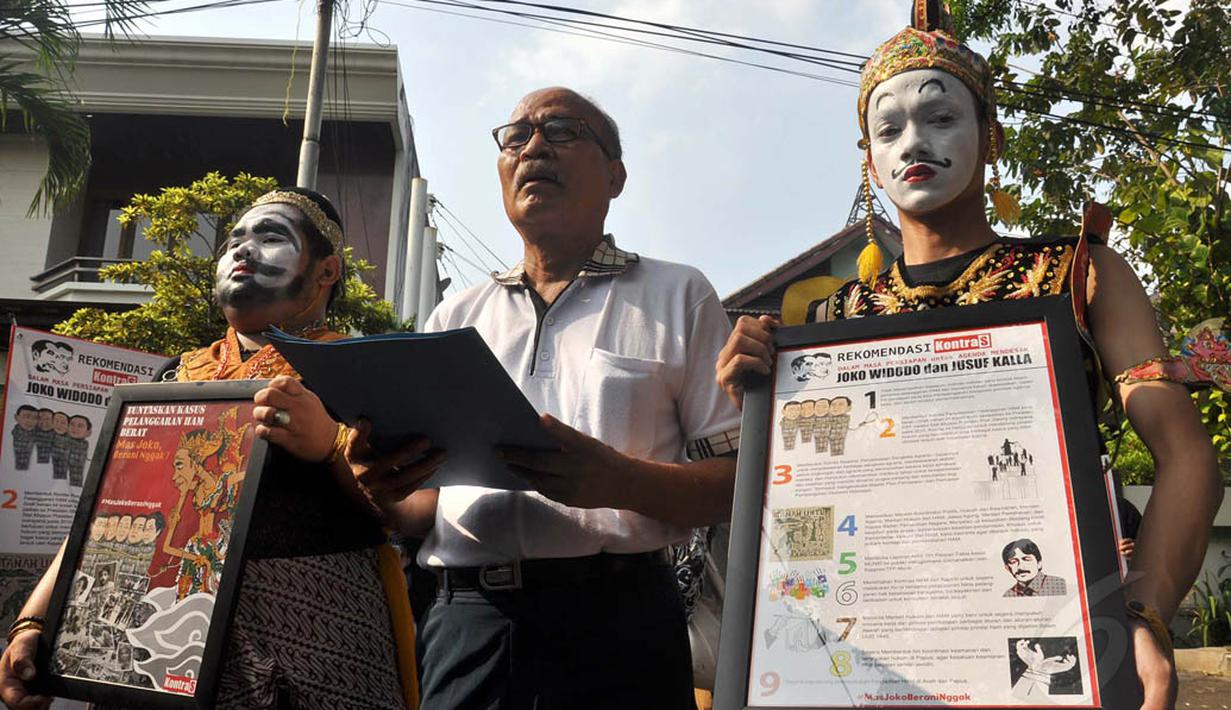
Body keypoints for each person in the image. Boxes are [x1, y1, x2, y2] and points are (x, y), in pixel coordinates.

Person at [715, 2, 1222, 707]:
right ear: (869, 160)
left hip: (1048, 648)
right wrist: (769, 414)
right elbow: (812, 510)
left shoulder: (1079, 275)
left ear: (991, 136)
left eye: (941, 117)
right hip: (869, 662)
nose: (911, 142)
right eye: (886, 129)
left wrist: (1143, 617)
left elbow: (1185, 454)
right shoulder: (826, 321)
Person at [351, 87, 741, 709]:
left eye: (562, 130)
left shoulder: (679, 295)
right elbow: (425, 507)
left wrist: (618, 482)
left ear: (615, 175)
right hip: (468, 623)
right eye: (516, 136)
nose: (533, 145)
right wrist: (386, 488)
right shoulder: (457, 315)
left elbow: (737, 484)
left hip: (622, 625)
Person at [1, 188, 419, 710]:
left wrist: (330, 447)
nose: (243, 251)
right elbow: (105, 517)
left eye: (271, 238)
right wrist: (36, 619)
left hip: (317, 630)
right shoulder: (175, 376)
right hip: (166, 630)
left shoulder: (364, 371)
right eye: (234, 241)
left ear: (327, 271)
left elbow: (413, 514)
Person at [1002, 538, 1067, 597]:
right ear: (1007, 568)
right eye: (1013, 562)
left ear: (1039, 563)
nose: (1020, 566)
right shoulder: (1009, 595)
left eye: (1026, 559)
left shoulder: (1058, 585)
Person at [9, 405, 37, 471]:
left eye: (34, 418)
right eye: (26, 417)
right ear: (16, 417)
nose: (30, 421)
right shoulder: (13, 435)